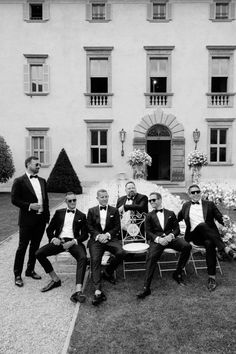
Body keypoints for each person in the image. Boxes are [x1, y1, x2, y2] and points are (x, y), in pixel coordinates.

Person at [178, 184, 235, 292]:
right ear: (189, 195)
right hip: (194, 236)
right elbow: (177, 218)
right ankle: (226, 248)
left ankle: (212, 278)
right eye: (193, 192)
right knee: (202, 225)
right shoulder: (186, 206)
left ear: (200, 193)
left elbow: (220, 218)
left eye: (197, 192)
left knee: (210, 244)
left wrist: (225, 221)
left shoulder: (209, 204)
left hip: (209, 236)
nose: (195, 194)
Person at [137, 192, 191, 299]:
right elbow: (147, 232)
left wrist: (170, 236)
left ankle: (178, 273)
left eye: (154, 200)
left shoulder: (170, 213)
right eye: (150, 200)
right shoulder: (149, 215)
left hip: (170, 239)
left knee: (187, 246)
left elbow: (177, 229)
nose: (151, 202)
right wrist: (158, 239)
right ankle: (146, 287)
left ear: (160, 200)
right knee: (151, 257)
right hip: (157, 241)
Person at [36, 192, 88, 303]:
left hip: (73, 242)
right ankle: (55, 279)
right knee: (39, 253)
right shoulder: (59, 213)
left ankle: (78, 291)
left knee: (83, 257)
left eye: (74, 200)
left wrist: (73, 241)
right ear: (66, 202)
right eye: (70, 200)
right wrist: (53, 238)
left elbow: (85, 235)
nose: (73, 202)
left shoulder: (82, 215)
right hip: (59, 241)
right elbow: (49, 229)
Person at [11, 156, 50, 287]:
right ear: (28, 164)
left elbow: (46, 200)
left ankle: (30, 270)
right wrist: (29, 206)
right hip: (27, 221)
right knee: (22, 247)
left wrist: (47, 218)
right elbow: (14, 200)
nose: (39, 166)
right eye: (36, 164)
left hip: (40, 221)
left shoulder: (43, 181)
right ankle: (17, 274)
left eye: (39, 164)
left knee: (35, 247)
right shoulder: (19, 181)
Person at [87, 189, 124, 306]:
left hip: (110, 239)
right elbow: (89, 227)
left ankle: (108, 272)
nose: (104, 199)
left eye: (106, 196)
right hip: (96, 241)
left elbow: (117, 227)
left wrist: (107, 235)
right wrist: (98, 236)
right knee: (95, 260)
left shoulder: (114, 210)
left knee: (121, 252)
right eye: (102, 197)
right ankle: (98, 290)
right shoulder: (91, 211)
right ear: (97, 198)